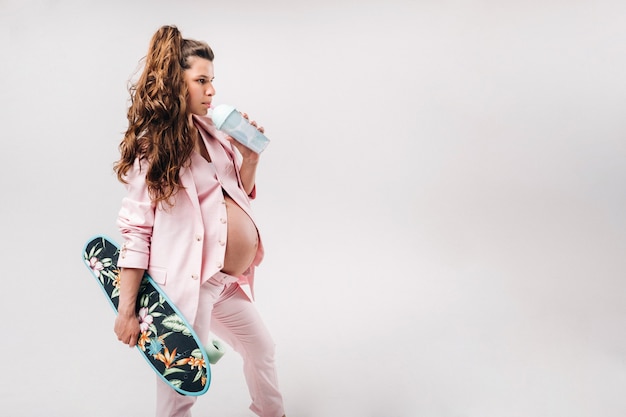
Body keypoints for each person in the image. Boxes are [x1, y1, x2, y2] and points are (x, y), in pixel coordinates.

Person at [112, 25, 286, 417]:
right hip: (190, 284)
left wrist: (251, 159)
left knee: (261, 349)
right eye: (201, 81)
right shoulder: (152, 150)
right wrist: (126, 312)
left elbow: (235, 195)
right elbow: (136, 231)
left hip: (227, 283)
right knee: (181, 387)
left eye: (213, 81)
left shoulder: (214, 133)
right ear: (177, 83)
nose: (211, 91)